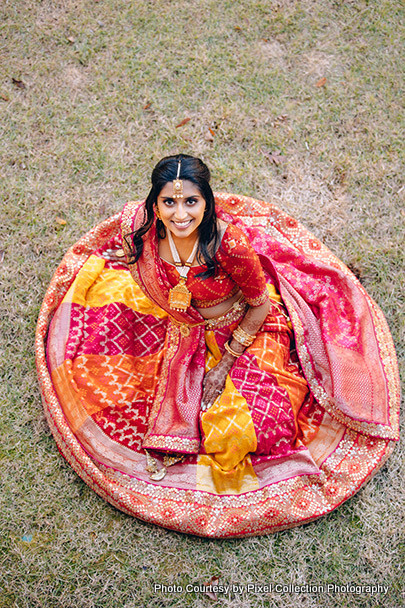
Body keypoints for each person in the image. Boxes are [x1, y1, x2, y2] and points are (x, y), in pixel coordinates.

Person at [40, 153, 399, 535]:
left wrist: (224, 365)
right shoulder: (146, 229)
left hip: (243, 330)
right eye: (169, 202)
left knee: (256, 430)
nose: (180, 215)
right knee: (98, 372)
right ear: (155, 203)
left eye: (191, 201)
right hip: (179, 325)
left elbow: (259, 306)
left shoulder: (229, 244)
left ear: (207, 202)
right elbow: (135, 249)